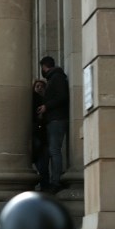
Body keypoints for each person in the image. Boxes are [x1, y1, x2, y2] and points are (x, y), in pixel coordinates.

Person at [36, 56, 69, 193]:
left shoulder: (57, 77)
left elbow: (61, 97)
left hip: (56, 119)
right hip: (54, 119)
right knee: (53, 151)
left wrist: (46, 106)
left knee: (55, 151)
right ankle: (54, 180)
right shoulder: (53, 78)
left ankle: (55, 181)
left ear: (44, 66)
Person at [32, 79, 49, 188]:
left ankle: (45, 184)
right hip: (37, 133)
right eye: (37, 86)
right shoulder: (33, 99)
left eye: (41, 86)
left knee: (43, 161)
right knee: (39, 159)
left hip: (44, 134)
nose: (39, 88)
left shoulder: (46, 101)